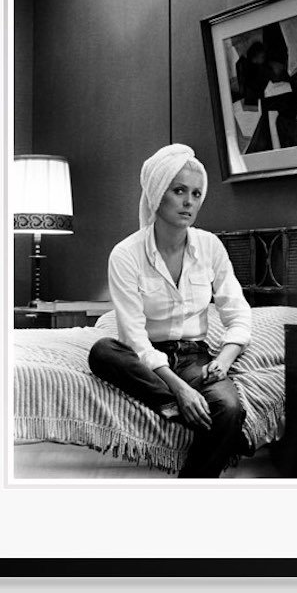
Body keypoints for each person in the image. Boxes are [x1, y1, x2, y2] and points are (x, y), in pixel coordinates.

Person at [88, 144, 252, 478]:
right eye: (179, 191)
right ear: (156, 193)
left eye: (196, 193)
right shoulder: (126, 254)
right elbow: (134, 337)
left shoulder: (210, 247)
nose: (189, 201)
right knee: (102, 351)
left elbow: (238, 313)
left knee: (230, 408)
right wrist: (180, 391)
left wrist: (223, 361)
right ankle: (181, 409)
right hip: (143, 359)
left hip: (194, 357)